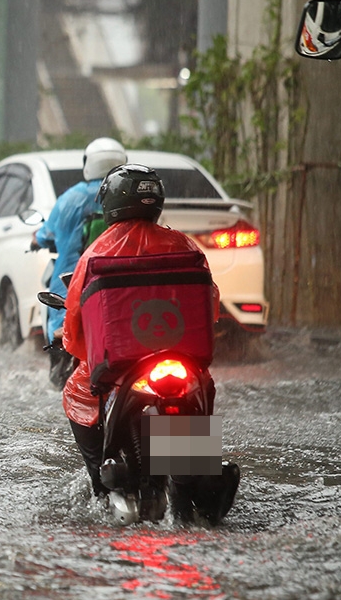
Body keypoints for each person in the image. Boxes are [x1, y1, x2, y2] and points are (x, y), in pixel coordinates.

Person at [59, 164, 218, 496]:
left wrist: (73, 347)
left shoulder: (95, 252)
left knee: (75, 391)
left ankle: (100, 487)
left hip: (122, 365)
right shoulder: (185, 245)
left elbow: (75, 325)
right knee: (203, 387)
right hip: (183, 358)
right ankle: (194, 469)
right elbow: (210, 304)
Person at [31, 137, 128, 346]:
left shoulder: (71, 199)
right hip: (122, 279)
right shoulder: (127, 195)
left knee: (60, 327)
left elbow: (46, 234)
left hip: (74, 280)